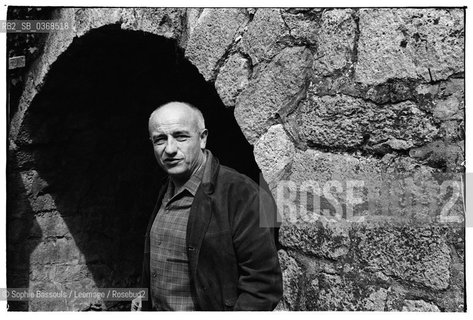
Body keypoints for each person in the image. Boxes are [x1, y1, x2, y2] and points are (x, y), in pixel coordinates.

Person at [135, 101, 282, 311]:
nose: (169, 149)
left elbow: (263, 286)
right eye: (160, 140)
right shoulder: (164, 190)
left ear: (202, 138)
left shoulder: (240, 193)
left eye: (181, 137)